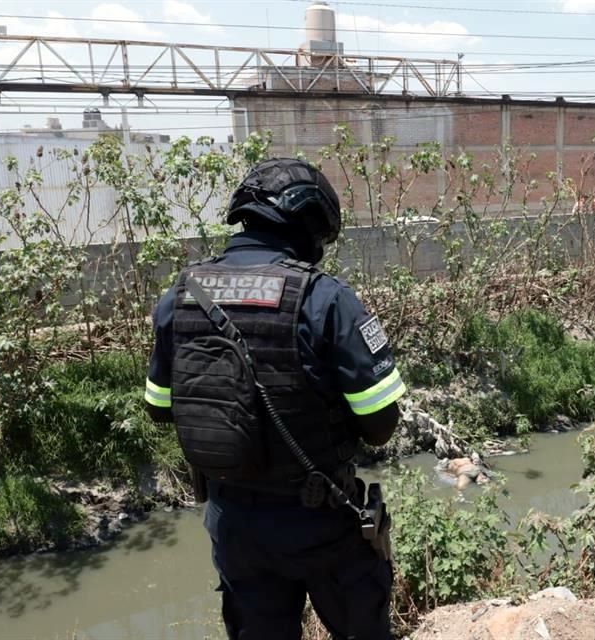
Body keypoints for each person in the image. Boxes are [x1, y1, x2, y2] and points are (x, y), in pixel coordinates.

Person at [143, 158, 404, 640]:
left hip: (233, 523)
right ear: (310, 225)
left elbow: (159, 408)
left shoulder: (180, 295)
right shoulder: (324, 299)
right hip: (322, 522)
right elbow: (380, 423)